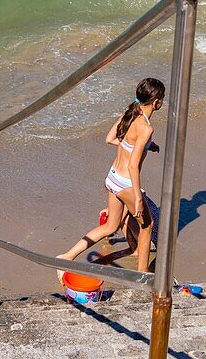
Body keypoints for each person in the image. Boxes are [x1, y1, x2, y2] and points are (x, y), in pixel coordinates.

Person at [56, 78, 165, 280]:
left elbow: (111, 139)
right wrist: (138, 197)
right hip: (126, 184)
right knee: (146, 227)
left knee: (110, 227)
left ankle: (66, 257)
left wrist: (148, 146)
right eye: (162, 100)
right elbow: (133, 165)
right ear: (156, 102)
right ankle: (142, 274)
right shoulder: (146, 128)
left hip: (112, 178)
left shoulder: (130, 113)